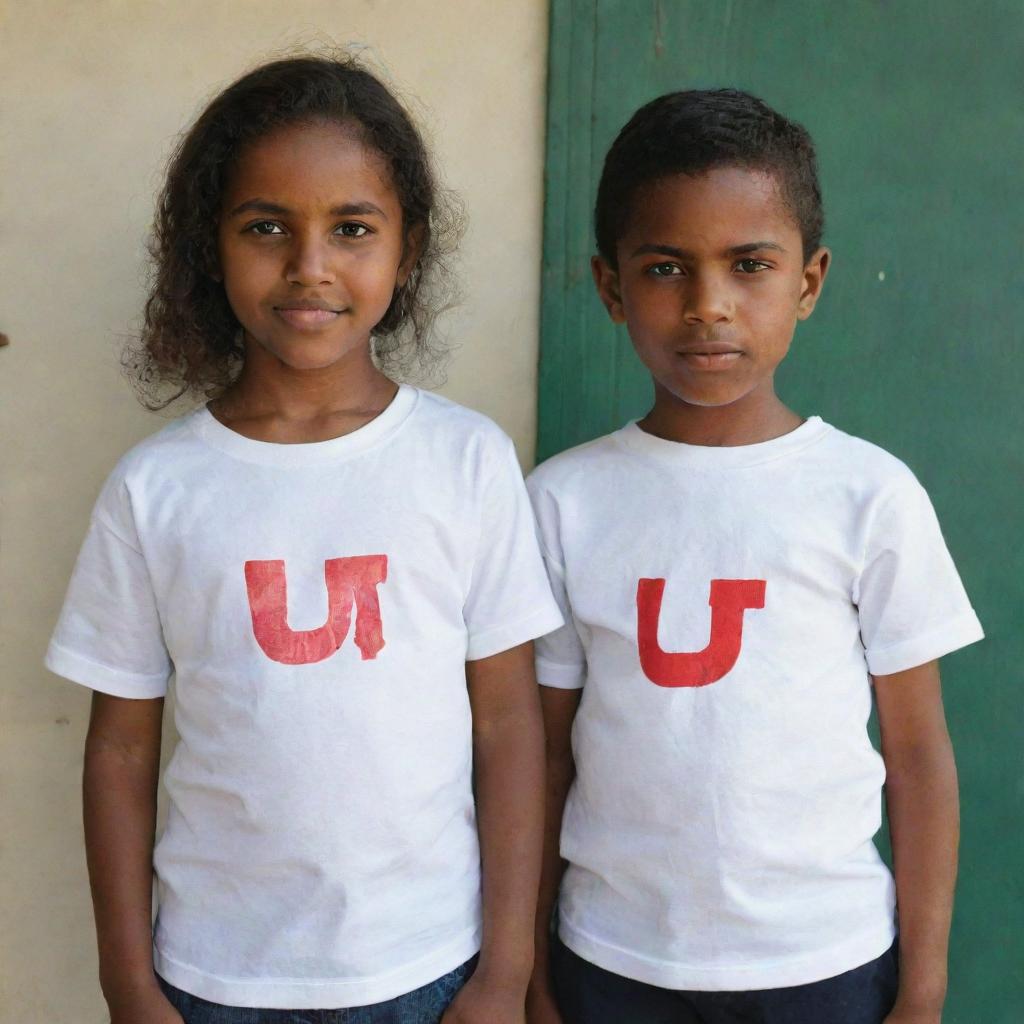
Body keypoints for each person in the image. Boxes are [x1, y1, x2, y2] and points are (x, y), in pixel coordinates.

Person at [46, 54, 562, 1024]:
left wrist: (505, 967)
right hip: (213, 976)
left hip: (427, 966)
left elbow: (507, 723)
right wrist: (127, 979)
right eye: (266, 228)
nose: (309, 266)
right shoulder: (157, 489)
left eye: (352, 229)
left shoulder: (464, 462)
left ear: (405, 252)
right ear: (213, 247)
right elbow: (118, 751)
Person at [524, 89, 983, 1024]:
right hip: (614, 960)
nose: (708, 306)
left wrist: (924, 984)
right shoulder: (563, 501)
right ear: (610, 288)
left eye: (749, 265)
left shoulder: (869, 494)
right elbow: (542, 758)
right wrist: (527, 963)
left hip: (827, 961)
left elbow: (919, 753)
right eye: (664, 268)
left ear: (807, 283)